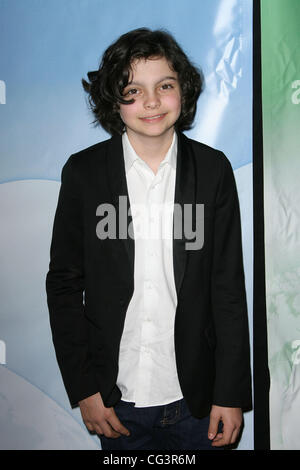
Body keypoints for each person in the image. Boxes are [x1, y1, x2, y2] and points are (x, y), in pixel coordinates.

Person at [46, 28, 252, 451]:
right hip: (116, 403)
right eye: (133, 90)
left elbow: (227, 289)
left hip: (196, 400)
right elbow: (64, 284)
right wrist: (84, 387)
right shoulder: (84, 174)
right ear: (112, 100)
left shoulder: (213, 172)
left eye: (165, 85)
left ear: (183, 90)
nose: (152, 101)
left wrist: (229, 393)